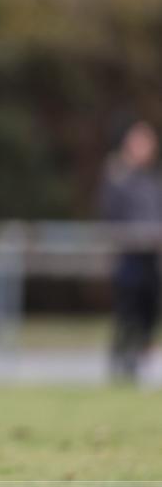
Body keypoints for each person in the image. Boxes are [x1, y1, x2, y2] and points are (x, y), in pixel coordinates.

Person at [99, 121, 162, 382]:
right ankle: (120, 364)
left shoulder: (152, 180)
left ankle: (138, 361)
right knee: (127, 312)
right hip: (128, 256)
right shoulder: (118, 177)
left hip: (151, 257)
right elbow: (110, 215)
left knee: (149, 312)